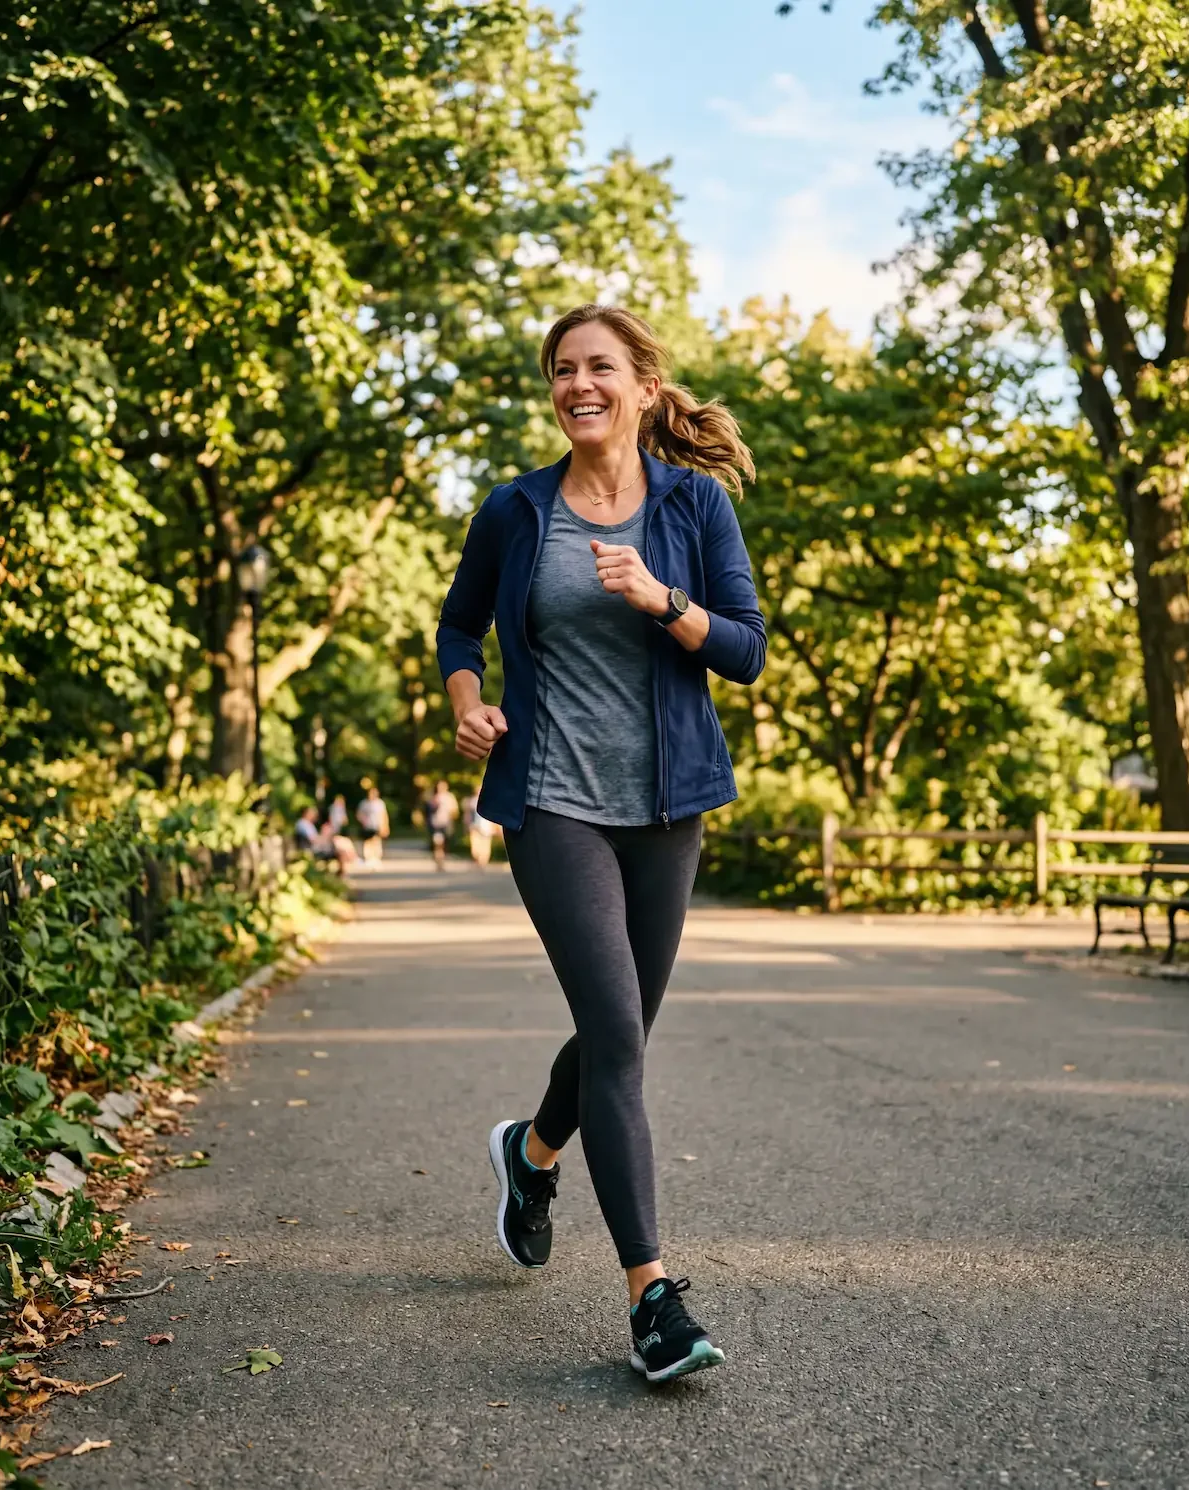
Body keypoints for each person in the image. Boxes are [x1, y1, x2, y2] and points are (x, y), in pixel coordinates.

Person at [436, 303, 765, 1384]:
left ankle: (530, 1155)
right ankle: (653, 1298)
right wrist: (466, 698)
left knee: (618, 1029)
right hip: (554, 799)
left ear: (640, 384)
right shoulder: (517, 509)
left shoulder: (693, 503)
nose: (579, 383)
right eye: (563, 369)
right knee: (618, 1032)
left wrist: (662, 598)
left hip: (671, 806)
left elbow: (747, 649)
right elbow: (459, 624)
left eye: (599, 367)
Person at [424, 779, 459, 871]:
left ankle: (442, 858)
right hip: (435, 824)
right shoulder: (433, 797)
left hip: (446, 824)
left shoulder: (450, 797)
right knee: (438, 843)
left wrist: (452, 816)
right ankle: (438, 859)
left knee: (445, 843)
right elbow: (427, 811)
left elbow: (455, 811)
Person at [463, 790, 497, 868]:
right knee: (475, 846)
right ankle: (478, 859)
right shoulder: (472, 801)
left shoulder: (490, 801)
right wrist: (467, 825)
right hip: (475, 826)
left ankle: (483, 862)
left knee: (485, 845)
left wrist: (494, 827)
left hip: (486, 827)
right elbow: (468, 815)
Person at [355, 786, 389, 864]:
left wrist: (385, 825)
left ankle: (376, 857)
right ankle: (368, 857)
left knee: (376, 841)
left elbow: (384, 814)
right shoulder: (364, 803)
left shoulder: (380, 803)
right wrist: (362, 820)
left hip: (377, 825)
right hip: (367, 826)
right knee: (367, 842)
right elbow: (359, 814)